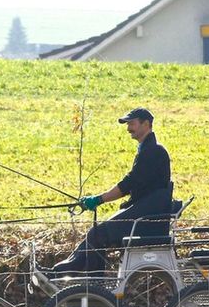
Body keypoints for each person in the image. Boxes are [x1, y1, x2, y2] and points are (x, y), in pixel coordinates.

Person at [45, 107, 172, 277]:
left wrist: (98, 199)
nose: (128, 129)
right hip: (144, 214)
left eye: (132, 124)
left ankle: (86, 281)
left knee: (97, 235)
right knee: (96, 235)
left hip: (147, 220)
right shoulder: (148, 150)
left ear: (146, 124)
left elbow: (128, 184)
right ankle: (67, 272)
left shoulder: (153, 152)